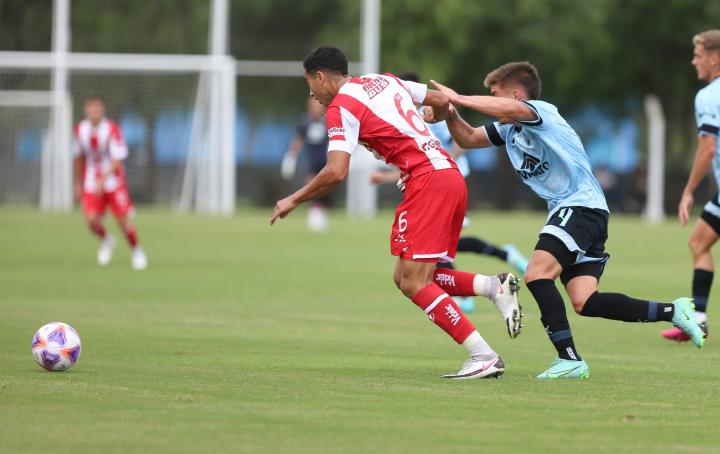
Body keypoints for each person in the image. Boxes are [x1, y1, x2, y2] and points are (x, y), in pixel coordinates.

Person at [429, 61, 704, 379]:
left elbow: (507, 108)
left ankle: (570, 359)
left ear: (516, 96)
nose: (493, 100)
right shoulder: (509, 129)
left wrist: (460, 97)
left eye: (496, 94)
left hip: (580, 208)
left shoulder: (540, 111)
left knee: (536, 274)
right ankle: (674, 310)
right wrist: (450, 111)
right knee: (585, 300)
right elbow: (468, 138)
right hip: (584, 213)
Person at [270, 46, 521, 379]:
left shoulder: (340, 107)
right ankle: (492, 286)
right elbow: (441, 101)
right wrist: (428, 119)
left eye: (310, 84)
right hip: (448, 175)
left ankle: (483, 355)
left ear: (320, 76)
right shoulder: (383, 80)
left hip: (427, 182)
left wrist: (293, 199)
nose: (312, 94)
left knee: (415, 283)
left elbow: (336, 171)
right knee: (405, 278)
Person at [670, 30, 720, 342]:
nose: (693, 61)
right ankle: (698, 320)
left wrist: (688, 191)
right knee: (698, 243)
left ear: (715, 59)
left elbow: (707, 148)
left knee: (698, 243)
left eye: (698, 56)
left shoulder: (709, 96)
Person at [73, 96, 147, 270]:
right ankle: (107, 240)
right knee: (90, 220)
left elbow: (118, 159)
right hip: (91, 181)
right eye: (90, 109)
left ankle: (137, 251)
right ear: (86, 111)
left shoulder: (112, 129)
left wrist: (103, 178)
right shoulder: (79, 130)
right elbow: (77, 158)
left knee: (122, 220)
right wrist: (78, 182)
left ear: (102, 110)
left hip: (114, 182)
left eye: (96, 109)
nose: (93, 113)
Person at [281, 96, 332, 232]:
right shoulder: (304, 122)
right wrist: (290, 157)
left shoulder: (327, 121)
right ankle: (314, 211)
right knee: (311, 184)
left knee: (324, 187)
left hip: (325, 160)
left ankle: (320, 211)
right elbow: (298, 140)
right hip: (310, 160)